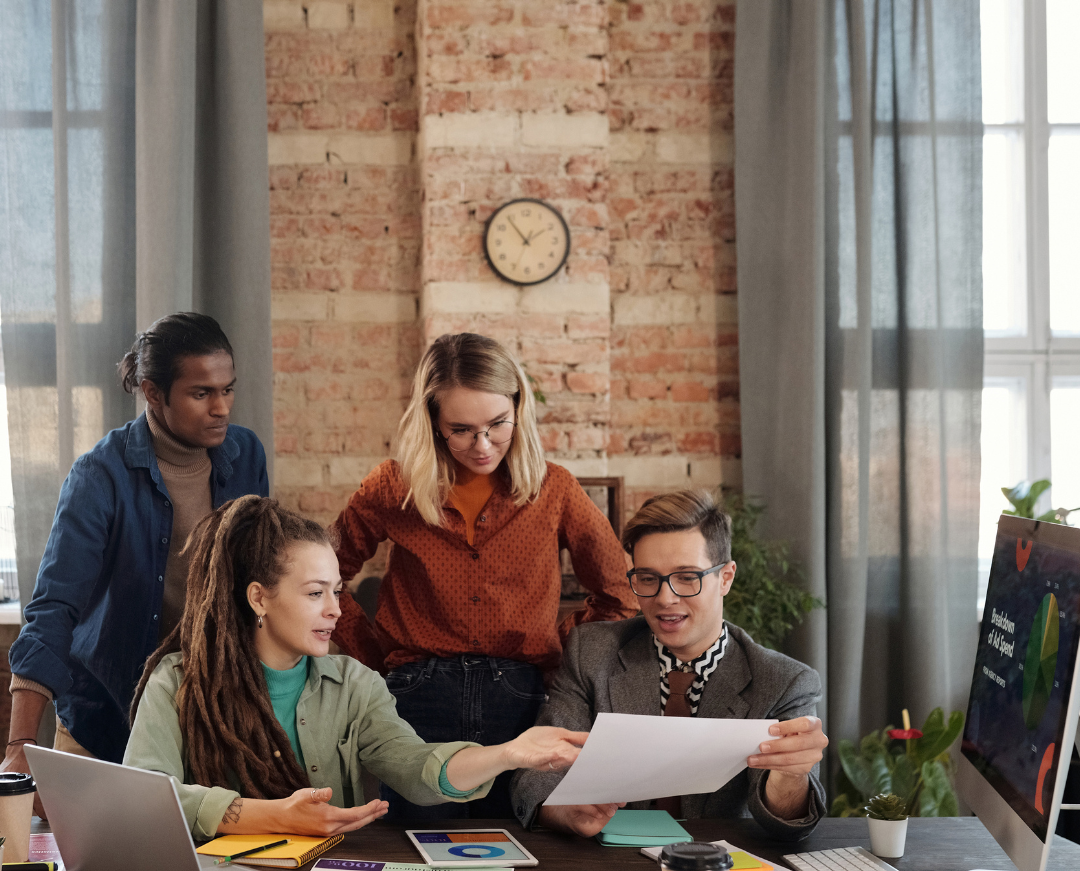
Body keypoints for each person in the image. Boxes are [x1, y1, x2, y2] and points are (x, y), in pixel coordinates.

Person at [124, 497, 587, 842]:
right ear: (259, 597)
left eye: (337, 591)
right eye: (314, 593)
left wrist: (508, 754)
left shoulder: (356, 684)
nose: (336, 610)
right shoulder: (178, 682)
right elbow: (144, 798)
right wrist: (271, 816)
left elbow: (417, 767)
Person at [332, 332, 638, 820]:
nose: (482, 445)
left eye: (498, 424)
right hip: (415, 697)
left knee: (519, 848)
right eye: (461, 429)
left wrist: (556, 643)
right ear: (432, 421)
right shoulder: (393, 487)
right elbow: (328, 577)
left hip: (518, 698)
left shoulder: (554, 488)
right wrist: (373, 660)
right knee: (416, 849)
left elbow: (621, 594)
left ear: (519, 407)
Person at [2, 313, 268, 800]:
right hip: (106, 720)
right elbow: (54, 608)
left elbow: (260, 581)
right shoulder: (99, 476)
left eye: (227, 389)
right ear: (152, 392)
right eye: (201, 393)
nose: (221, 408)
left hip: (211, 724)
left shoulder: (246, 455)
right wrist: (20, 744)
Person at [510, 488, 829, 840]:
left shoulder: (784, 680)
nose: (665, 598)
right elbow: (536, 771)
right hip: (607, 868)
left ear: (725, 578)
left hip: (719, 870)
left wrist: (791, 774)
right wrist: (562, 811)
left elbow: (786, 823)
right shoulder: (592, 651)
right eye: (648, 578)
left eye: (687, 577)